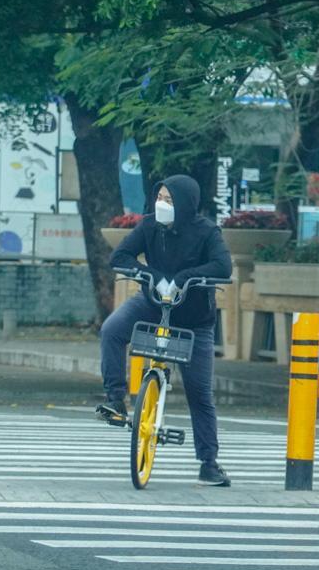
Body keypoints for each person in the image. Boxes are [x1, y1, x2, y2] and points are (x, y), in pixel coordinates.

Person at [97, 174, 233, 487]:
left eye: (169, 200)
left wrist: (184, 278)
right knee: (112, 330)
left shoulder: (207, 231)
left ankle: (209, 463)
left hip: (194, 320)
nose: (162, 204)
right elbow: (119, 256)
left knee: (199, 392)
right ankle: (115, 399)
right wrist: (152, 276)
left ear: (185, 203)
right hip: (151, 304)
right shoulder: (148, 225)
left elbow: (222, 266)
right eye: (159, 197)